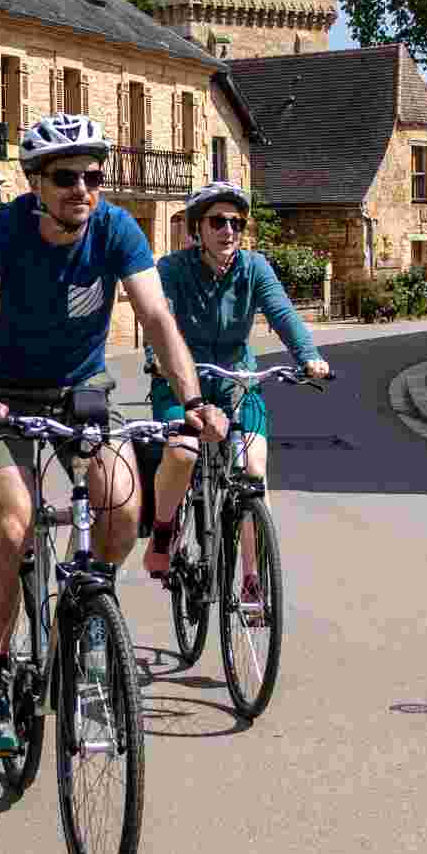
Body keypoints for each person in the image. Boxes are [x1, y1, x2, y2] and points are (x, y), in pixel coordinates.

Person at [0, 113, 225, 754]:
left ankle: (90, 621)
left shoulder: (115, 228)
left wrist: (192, 401)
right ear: (36, 183)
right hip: (1, 397)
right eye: (66, 177)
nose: (83, 188)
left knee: (123, 508)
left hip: (82, 392)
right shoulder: (0, 231)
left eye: (93, 176)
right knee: (13, 523)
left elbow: (156, 315)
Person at [144, 181, 329, 596]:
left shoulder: (254, 267)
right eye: (218, 221)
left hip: (238, 385)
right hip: (180, 384)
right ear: (198, 228)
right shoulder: (172, 269)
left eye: (236, 222)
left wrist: (308, 356)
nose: (229, 229)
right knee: (182, 451)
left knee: (253, 473)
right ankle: (163, 530)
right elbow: (159, 319)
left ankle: (251, 578)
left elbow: (282, 312)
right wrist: (157, 357)